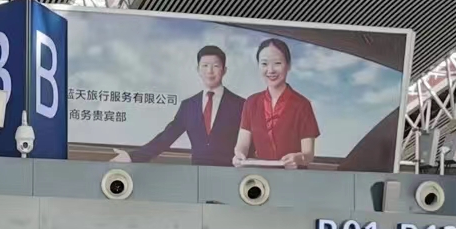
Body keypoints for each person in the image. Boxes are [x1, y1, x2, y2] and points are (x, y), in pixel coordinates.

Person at [112, 45, 244, 166]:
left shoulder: (241, 105)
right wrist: (132, 157)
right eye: (205, 66)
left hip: (230, 174)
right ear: (198, 69)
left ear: (224, 70)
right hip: (197, 176)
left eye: (215, 66)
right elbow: (166, 137)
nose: (210, 71)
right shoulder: (188, 106)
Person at [233, 38, 319, 169]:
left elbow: (308, 154)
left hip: (294, 175)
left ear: (288, 65)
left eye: (277, 63)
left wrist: (298, 158)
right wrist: (239, 155)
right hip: (261, 175)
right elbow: (242, 144)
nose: (271, 70)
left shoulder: (302, 105)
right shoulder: (251, 102)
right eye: (264, 64)